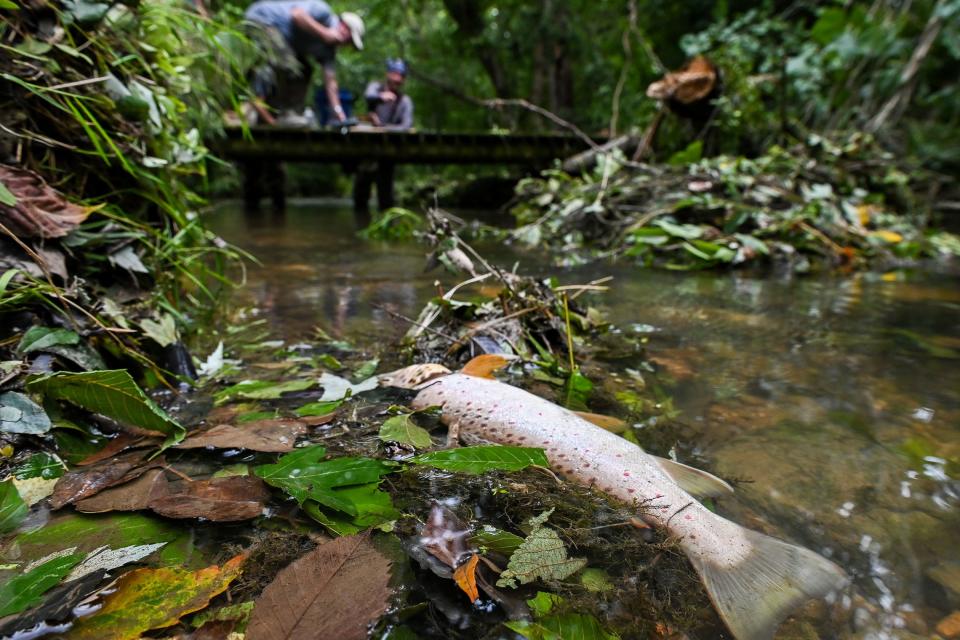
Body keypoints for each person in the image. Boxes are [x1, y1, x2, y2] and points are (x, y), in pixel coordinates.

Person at [244, 1, 364, 126]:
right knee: (288, 65)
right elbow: (296, 15)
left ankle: (289, 113)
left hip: (285, 42)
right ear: (344, 26)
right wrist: (325, 33)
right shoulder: (323, 12)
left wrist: (339, 114)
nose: (346, 44)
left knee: (304, 70)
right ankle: (268, 110)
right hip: (263, 20)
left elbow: (331, 83)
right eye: (349, 40)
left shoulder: (329, 51)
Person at [353, 58, 413, 215]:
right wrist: (381, 97)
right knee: (361, 191)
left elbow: (406, 126)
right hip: (367, 149)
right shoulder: (375, 87)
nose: (397, 79)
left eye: (401, 77)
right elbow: (368, 96)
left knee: (386, 195)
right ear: (388, 74)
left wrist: (383, 127)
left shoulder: (405, 101)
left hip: (389, 151)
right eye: (394, 75)